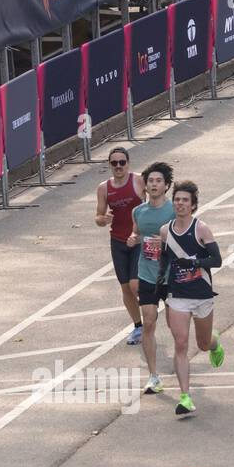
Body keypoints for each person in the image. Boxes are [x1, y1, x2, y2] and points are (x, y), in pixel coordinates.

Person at [158, 181, 225, 417]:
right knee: (181, 343)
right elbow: (164, 259)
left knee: (203, 344)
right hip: (178, 295)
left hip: (202, 294)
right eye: (177, 199)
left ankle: (214, 342)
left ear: (193, 205)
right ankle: (185, 396)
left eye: (185, 200)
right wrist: (160, 283)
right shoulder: (165, 230)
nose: (180, 203)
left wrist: (195, 263)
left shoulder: (201, 229)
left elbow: (217, 260)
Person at [126, 161, 176, 395]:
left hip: (172, 275)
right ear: (145, 186)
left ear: (166, 186)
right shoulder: (139, 211)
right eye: (150, 181)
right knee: (149, 322)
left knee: (175, 325)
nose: (154, 184)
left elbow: (186, 235)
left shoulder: (175, 210)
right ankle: (154, 376)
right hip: (147, 273)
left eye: (158, 181)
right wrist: (133, 238)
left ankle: (190, 353)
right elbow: (137, 232)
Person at [94, 146, 145, 346]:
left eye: (121, 162)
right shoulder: (104, 188)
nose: (118, 166)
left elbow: (157, 196)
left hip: (138, 239)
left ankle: (151, 308)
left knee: (135, 285)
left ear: (128, 164)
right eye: (114, 163)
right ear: (109, 165)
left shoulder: (139, 180)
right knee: (125, 288)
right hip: (118, 242)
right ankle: (138, 326)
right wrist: (103, 219)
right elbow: (98, 217)